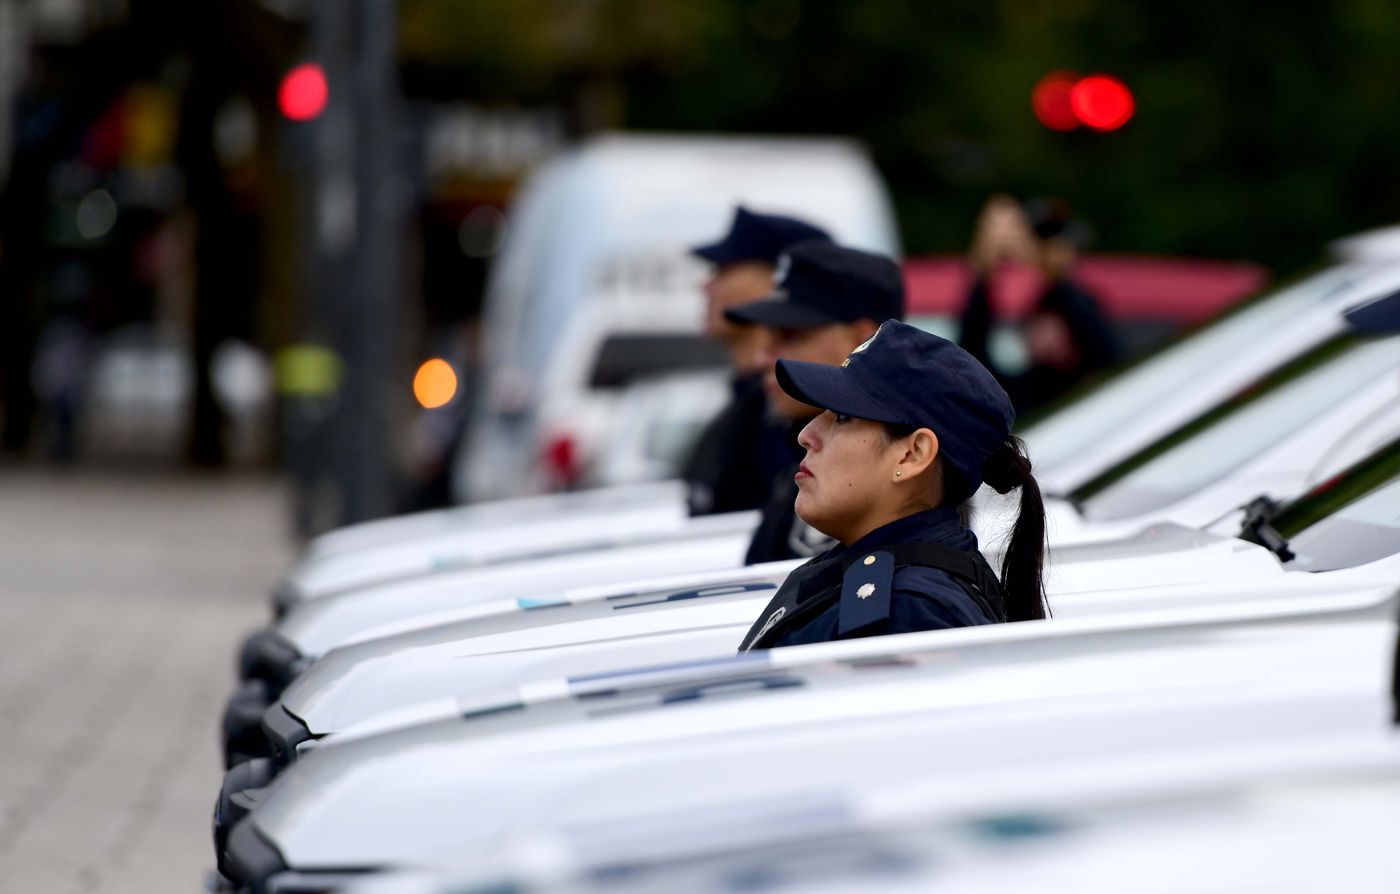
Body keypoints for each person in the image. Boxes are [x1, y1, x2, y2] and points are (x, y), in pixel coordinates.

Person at [737, 318, 1048, 651]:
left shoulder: (903, 618)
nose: (806, 435)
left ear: (912, 454)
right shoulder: (901, 594)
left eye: (842, 417)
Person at [723, 240, 905, 564]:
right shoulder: (805, 453)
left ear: (862, 338)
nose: (764, 357)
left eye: (790, 335)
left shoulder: (868, 483)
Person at [683, 207, 834, 516]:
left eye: (724, 271)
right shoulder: (750, 404)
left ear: (778, 282)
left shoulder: (792, 410)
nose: (705, 286)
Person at [959, 195, 1121, 415]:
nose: (1055, 251)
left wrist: (1049, 272)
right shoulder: (1025, 310)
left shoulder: (1076, 302)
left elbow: (1108, 358)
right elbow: (970, 362)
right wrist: (984, 274)